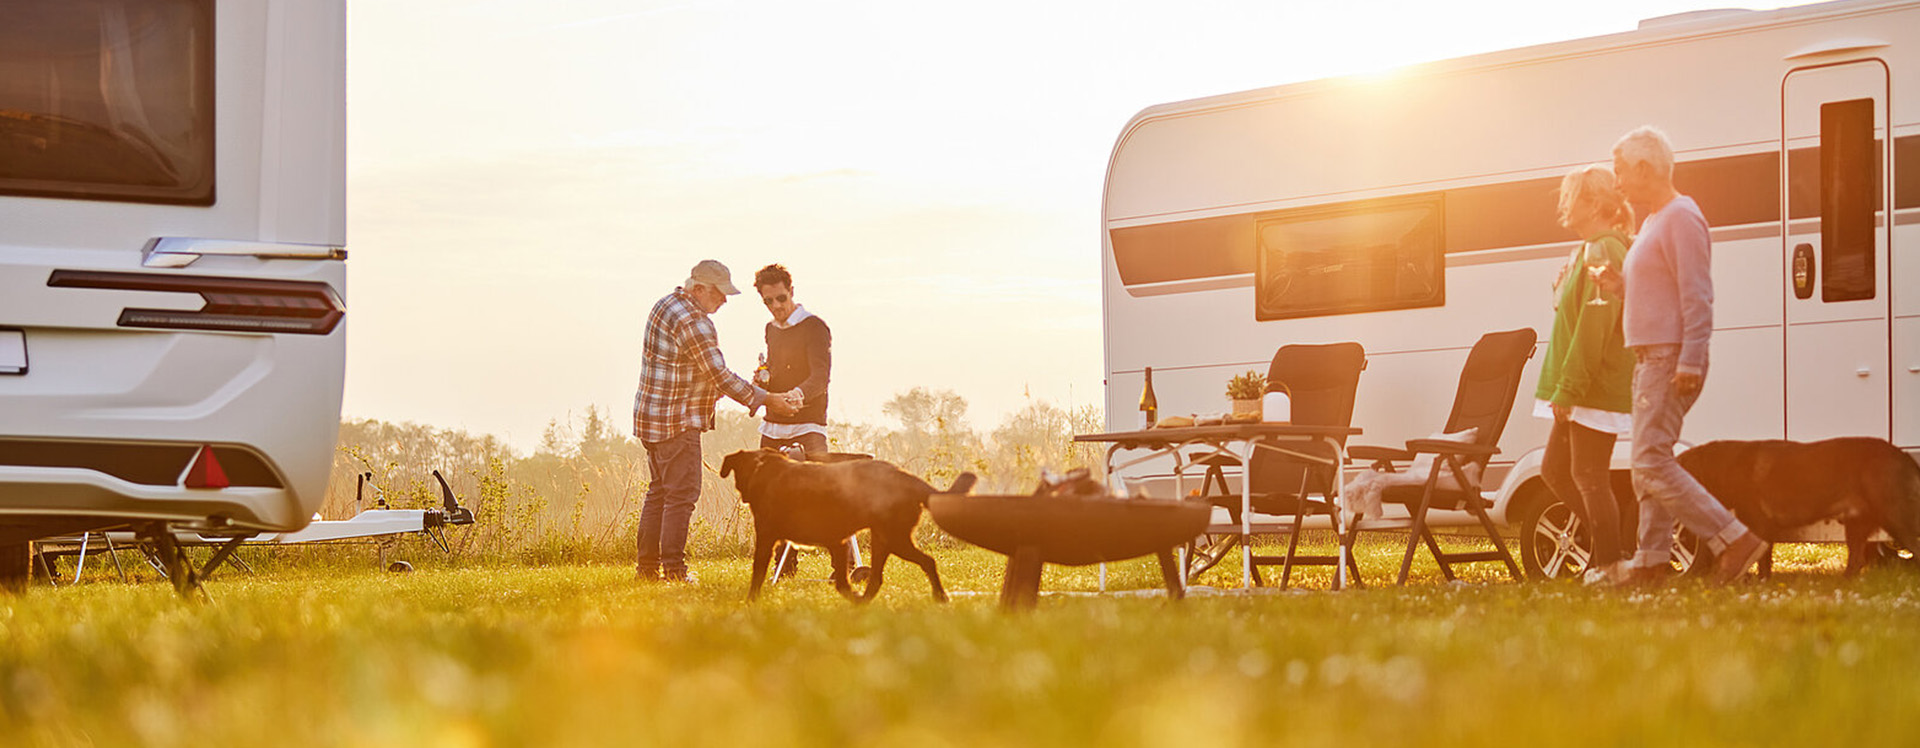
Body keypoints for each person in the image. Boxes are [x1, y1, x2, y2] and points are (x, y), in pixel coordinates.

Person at [1592, 126, 1768, 587]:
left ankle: (1734, 540)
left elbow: (1697, 294)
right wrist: (1620, 284)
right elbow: (1660, 287)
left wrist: (1692, 358)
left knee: (1650, 460)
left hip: (1671, 357)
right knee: (1649, 457)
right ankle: (1651, 560)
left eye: (1621, 172)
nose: (1617, 183)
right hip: (1651, 356)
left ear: (1645, 169)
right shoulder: (1653, 221)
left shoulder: (1681, 217)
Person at [633, 259, 798, 584]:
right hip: (676, 422)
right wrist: (766, 398)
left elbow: (688, 370)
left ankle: (648, 570)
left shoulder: (665, 304)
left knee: (659, 492)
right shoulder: (695, 322)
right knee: (681, 494)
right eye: (720, 294)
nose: (724, 300)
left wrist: (750, 390)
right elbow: (718, 375)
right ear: (699, 289)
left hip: (650, 418)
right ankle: (675, 571)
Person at [1532, 165, 1636, 584]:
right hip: (1581, 385)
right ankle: (1615, 550)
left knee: (1588, 476)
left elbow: (1594, 328)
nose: (1564, 207)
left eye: (1570, 198)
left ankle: (1611, 563)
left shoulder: (1604, 251)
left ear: (1593, 204)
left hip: (1592, 386)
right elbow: (1575, 314)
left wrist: (1568, 389)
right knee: (1556, 471)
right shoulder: (1592, 249)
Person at [751, 263, 840, 578]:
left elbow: (821, 376)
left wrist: (798, 395)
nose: (776, 307)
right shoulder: (770, 330)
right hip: (773, 424)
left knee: (824, 493)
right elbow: (775, 369)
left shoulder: (815, 327)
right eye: (769, 302)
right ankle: (783, 567)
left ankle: (843, 566)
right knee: (766, 497)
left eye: (781, 299)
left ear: (792, 292)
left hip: (809, 423)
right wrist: (762, 382)